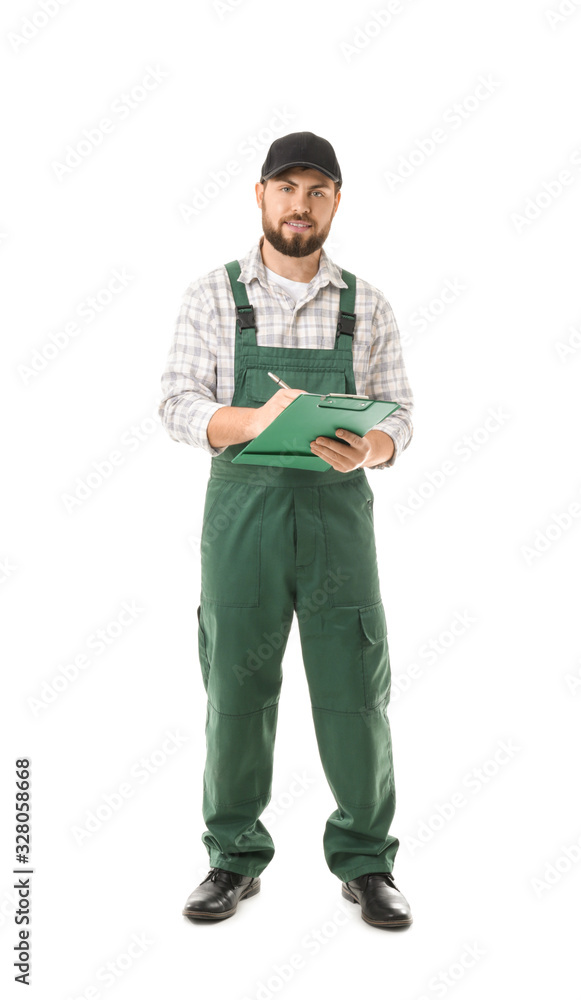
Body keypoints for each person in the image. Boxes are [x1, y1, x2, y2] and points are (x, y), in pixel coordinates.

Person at [158, 131, 415, 928]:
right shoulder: (214, 295)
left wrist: (368, 446)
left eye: (316, 191)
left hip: (338, 518)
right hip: (242, 519)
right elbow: (176, 406)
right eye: (285, 189)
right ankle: (232, 859)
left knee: (353, 693)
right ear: (260, 196)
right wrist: (247, 418)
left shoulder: (363, 302)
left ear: (336, 201)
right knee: (235, 689)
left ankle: (366, 863)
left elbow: (399, 416)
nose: (298, 206)